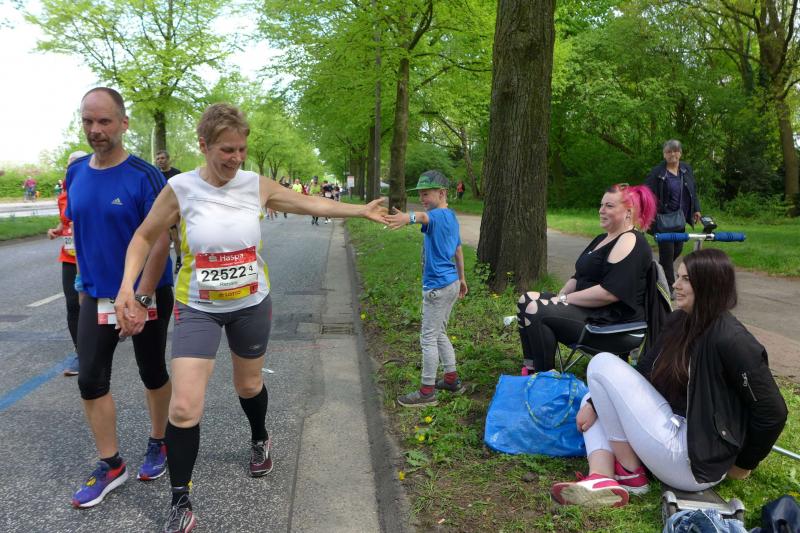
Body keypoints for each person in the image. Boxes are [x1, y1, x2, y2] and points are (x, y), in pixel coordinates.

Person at [113, 103, 387, 533]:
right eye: (226, 150)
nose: (236, 158)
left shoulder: (255, 185)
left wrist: (361, 210)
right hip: (197, 307)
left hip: (250, 304)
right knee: (183, 407)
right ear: (203, 145)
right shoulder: (180, 188)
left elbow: (308, 202)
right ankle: (180, 501)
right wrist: (127, 289)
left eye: (241, 149)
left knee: (248, 385)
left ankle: (259, 436)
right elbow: (144, 236)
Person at [551, 248, 788, 508]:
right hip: (671, 430)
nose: (675, 285)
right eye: (678, 277)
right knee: (594, 396)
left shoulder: (732, 340)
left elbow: (772, 412)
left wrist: (744, 463)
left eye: (685, 279)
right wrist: (595, 404)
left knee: (601, 364)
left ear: (709, 284)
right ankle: (602, 476)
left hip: (692, 460)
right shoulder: (680, 321)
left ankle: (629, 472)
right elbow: (644, 371)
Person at [66, 87, 174, 508]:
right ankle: (111, 464)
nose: (95, 129)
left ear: (123, 124)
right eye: (88, 121)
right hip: (96, 296)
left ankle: (160, 441)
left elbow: (160, 241)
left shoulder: (144, 175)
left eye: (104, 121)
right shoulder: (76, 172)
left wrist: (142, 299)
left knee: (152, 371)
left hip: (147, 293)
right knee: (90, 380)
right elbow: (81, 233)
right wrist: (81, 286)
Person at [516, 184, 656, 375]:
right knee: (526, 300)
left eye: (609, 206)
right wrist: (562, 294)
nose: (601, 210)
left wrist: (564, 300)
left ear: (628, 212)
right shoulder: (601, 238)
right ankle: (531, 368)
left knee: (536, 309)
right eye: (601, 205)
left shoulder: (631, 241)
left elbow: (609, 293)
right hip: (588, 310)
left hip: (612, 324)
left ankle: (544, 378)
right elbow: (579, 275)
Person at [384, 170, 468, 407]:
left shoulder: (436, 216)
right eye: (420, 194)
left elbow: (422, 217)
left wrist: (407, 218)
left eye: (426, 194)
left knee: (428, 338)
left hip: (437, 286)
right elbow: (458, 250)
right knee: (439, 333)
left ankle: (427, 392)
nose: (422, 198)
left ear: (442, 193)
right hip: (451, 283)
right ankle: (451, 380)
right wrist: (462, 278)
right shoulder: (451, 216)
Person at [47, 150, 87, 376]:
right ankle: (81, 353)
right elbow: (66, 222)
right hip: (70, 257)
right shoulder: (63, 196)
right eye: (70, 164)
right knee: (73, 304)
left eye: (78, 163)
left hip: (91, 257)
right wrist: (57, 230)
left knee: (95, 301)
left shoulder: (93, 190)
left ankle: (108, 330)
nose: (73, 168)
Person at [645, 139, 702, 289]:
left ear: (680, 153)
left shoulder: (686, 169)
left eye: (675, 151)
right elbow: (646, 193)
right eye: (669, 151)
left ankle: (656, 275)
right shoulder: (657, 172)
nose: (672, 154)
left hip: (679, 219)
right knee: (667, 255)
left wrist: (696, 209)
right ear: (664, 154)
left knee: (677, 250)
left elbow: (693, 191)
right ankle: (669, 289)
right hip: (663, 220)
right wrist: (652, 211)